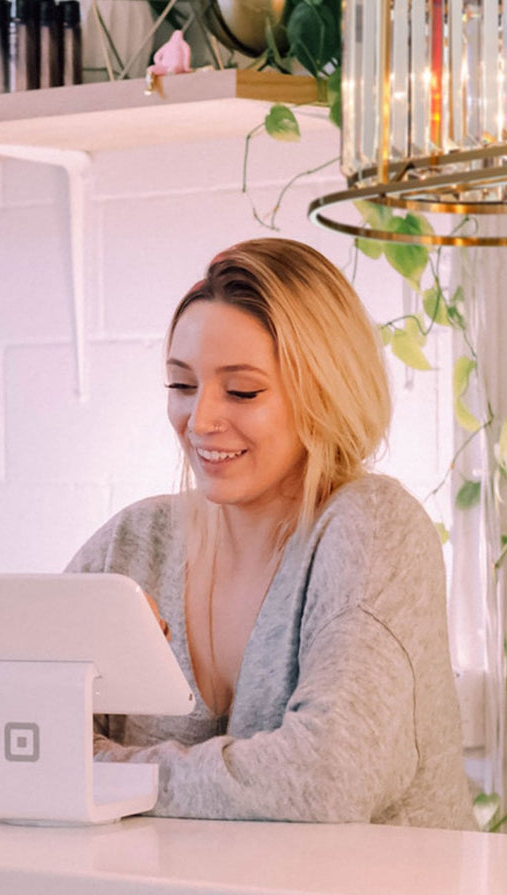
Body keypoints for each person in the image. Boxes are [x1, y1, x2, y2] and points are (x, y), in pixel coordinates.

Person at [66, 237, 474, 828]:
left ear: (327, 392)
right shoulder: (134, 543)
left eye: (243, 391)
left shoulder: (373, 529)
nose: (200, 420)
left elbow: (326, 778)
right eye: (182, 385)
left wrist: (105, 772)